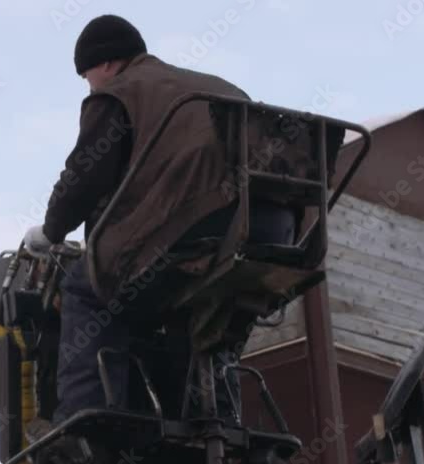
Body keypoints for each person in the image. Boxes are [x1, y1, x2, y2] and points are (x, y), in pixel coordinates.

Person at [24, 15, 294, 424]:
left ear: (108, 64)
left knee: (85, 286)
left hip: (210, 220)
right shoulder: (219, 87)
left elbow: (84, 177)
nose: (90, 85)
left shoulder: (120, 92)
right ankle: (216, 417)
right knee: (206, 307)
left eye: (87, 75)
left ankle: (90, 421)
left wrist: (51, 231)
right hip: (276, 229)